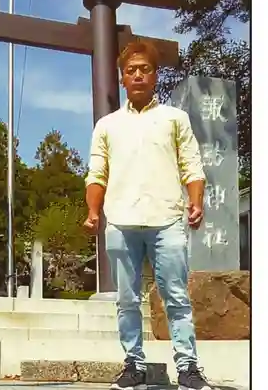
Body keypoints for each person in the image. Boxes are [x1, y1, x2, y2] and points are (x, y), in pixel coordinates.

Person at [84, 41, 210, 390]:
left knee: (176, 296)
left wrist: (196, 201)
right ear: (122, 78)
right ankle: (133, 365)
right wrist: (93, 212)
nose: (138, 75)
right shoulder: (107, 125)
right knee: (127, 300)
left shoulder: (175, 119)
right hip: (121, 221)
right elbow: (97, 173)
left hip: (167, 219)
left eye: (145, 69)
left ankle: (188, 367)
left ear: (155, 75)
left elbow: (192, 165)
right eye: (131, 70)